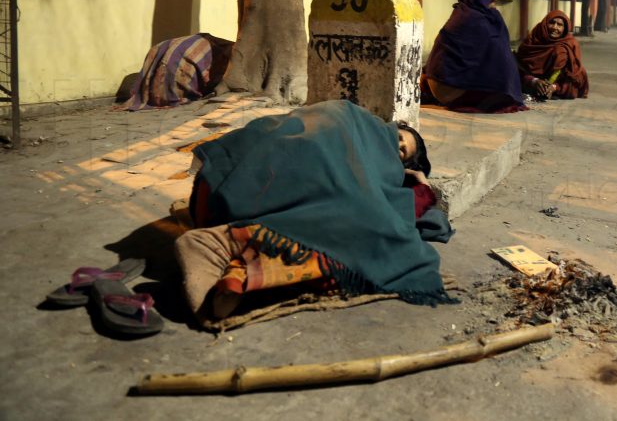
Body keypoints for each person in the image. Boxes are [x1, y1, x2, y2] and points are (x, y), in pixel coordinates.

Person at [174, 100, 453, 324]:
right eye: (401, 139)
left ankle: (240, 277)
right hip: (230, 198)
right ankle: (229, 248)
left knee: (330, 221)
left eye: (403, 153)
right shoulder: (354, 120)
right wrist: (423, 190)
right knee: (366, 239)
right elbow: (397, 214)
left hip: (211, 196)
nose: (397, 147)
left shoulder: (359, 140)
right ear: (393, 128)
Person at [420, 0, 526, 113]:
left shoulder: (459, 14)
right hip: (455, 91)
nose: (495, 6)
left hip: (436, 85)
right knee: (502, 94)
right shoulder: (480, 21)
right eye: (492, 1)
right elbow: (502, 59)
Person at [116, 33, 233, 111]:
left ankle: (165, 91)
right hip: (180, 59)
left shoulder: (213, 47)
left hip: (170, 54)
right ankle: (169, 92)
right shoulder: (222, 52)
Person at [516, 10, 589, 100]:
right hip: (530, 81)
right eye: (552, 23)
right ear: (545, 23)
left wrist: (554, 87)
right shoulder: (533, 39)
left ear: (565, 29)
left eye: (559, 25)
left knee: (562, 53)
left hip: (554, 83)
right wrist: (534, 81)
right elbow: (519, 67)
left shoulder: (569, 44)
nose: (555, 27)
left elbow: (574, 75)